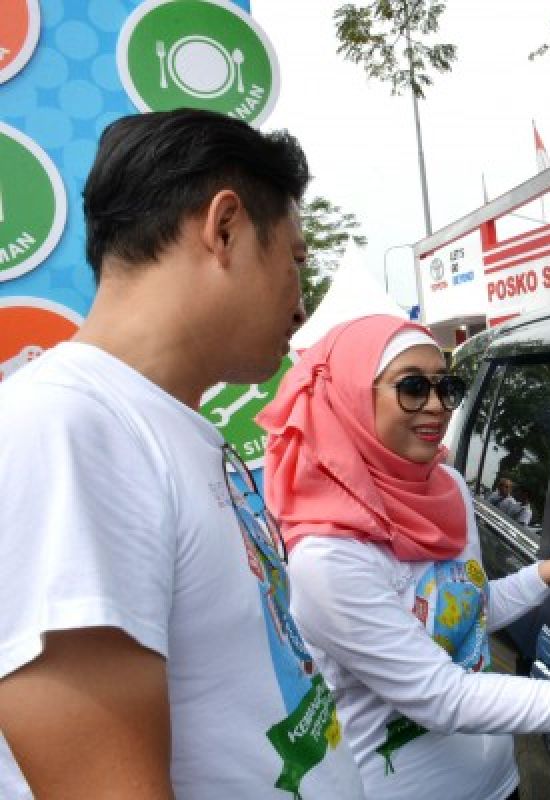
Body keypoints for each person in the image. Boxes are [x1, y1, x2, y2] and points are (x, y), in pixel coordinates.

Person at [0, 110, 364, 798]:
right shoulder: (68, 430)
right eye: (294, 258)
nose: (300, 302)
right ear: (224, 229)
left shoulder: (158, 423)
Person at [257, 315, 550, 800]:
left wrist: (543, 576)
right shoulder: (329, 556)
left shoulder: (446, 489)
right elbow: (438, 696)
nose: (437, 406)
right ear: (351, 396)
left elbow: (466, 610)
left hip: (498, 779)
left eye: (447, 386)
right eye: (413, 387)